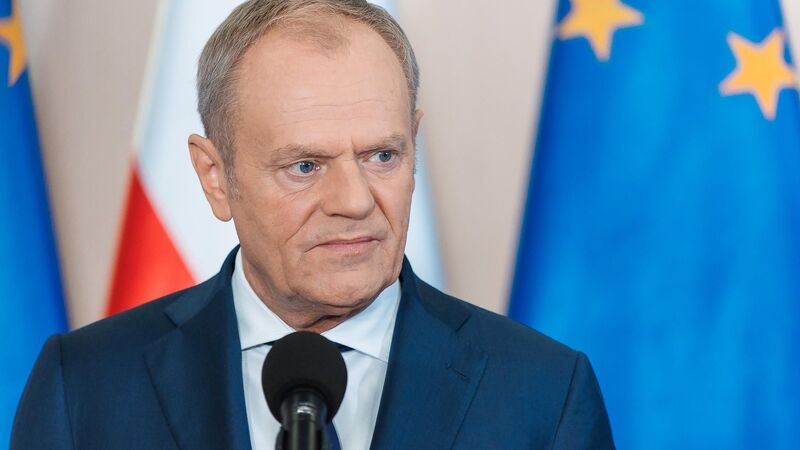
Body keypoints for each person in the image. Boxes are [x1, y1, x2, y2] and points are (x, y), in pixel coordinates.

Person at [11, 1, 614, 448]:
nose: (354, 201)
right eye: (305, 166)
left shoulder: (543, 395)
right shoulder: (84, 386)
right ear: (215, 177)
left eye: (382, 155)